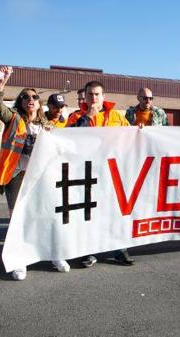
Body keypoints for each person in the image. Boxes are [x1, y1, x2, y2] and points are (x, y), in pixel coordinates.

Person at [0, 66, 70, 280]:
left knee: (48, 216)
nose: (31, 99)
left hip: (42, 176)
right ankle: (20, 259)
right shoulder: (14, 119)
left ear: (39, 102)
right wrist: (1, 84)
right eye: (26, 96)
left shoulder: (47, 124)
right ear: (20, 102)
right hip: (17, 176)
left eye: (34, 96)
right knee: (18, 219)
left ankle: (54, 254)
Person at [68, 81, 134, 266]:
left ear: (103, 96)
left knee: (116, 211)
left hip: (112, 171)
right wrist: (88, 116)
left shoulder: (116, 116)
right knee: (89, 213)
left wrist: (141, 131)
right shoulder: (76, 117)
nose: (94, 98)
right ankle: (88, 252)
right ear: (85, 96)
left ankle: (120, 249)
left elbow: (132, 137)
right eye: (90, 94)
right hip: (87, 171)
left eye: (97, 94)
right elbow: (69, 138)